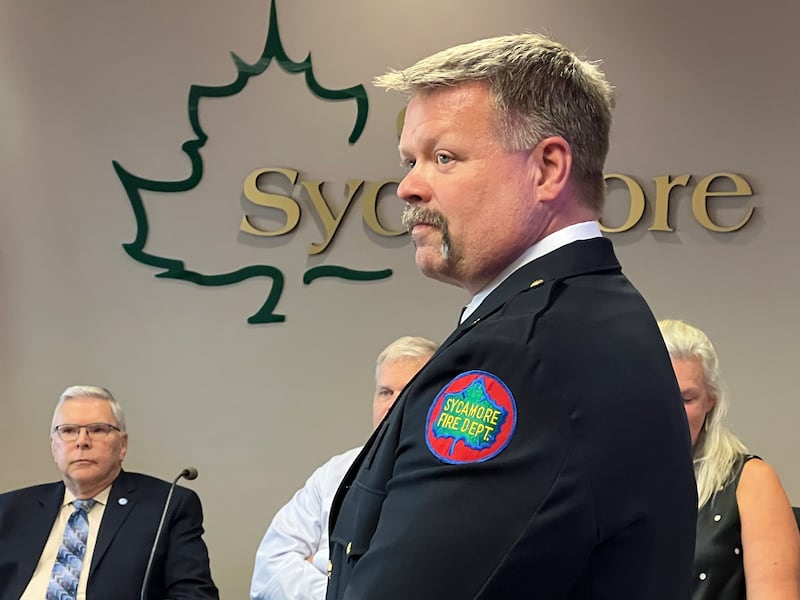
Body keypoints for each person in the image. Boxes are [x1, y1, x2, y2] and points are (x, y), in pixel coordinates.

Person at [325, 33, 698, 600]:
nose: (408, 186)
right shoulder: (591, 316)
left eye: (443, 158)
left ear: (548, 168)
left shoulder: (521, 356)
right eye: (410, 160)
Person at [250, 336, 439, 600]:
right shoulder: (336, 472)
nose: (393, 405)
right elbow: (268, 572)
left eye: (408, 392)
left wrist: (319, 564)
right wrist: (336, 590)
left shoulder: (449, 478)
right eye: (385, 392)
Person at [0, 385, 219, 600]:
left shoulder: (167, 507)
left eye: (97, 430)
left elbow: (195, 595)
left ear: (122, 445)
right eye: (68, 431)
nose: (82, 441)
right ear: (53, 446)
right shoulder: (10, 509)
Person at [658, 319, 800, 599]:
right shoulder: (607, 482)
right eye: (658, 396)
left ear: (710, 401)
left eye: (687, 399)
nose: (671, 413)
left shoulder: (752, 481)